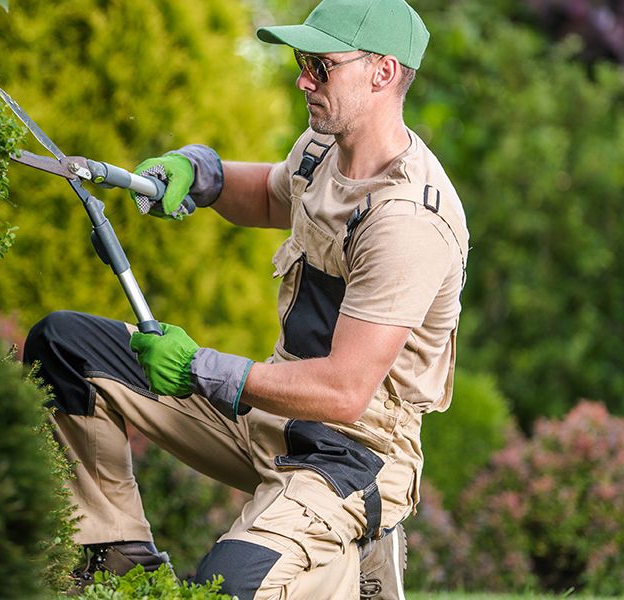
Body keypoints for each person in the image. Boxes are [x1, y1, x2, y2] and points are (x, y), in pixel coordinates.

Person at [23, 0, 468, 597]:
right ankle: (119, 562)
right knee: (67, 348)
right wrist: (198, 173)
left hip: (351, 455)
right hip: (270, 415)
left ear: (382, 73)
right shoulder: (324, 150)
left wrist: (200, 369)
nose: (302, 78)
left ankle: (348, 561)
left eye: (321, 65)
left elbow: (343, 391)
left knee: (231, 586)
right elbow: (266, 196)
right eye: (300, 61)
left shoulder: (407, 220)